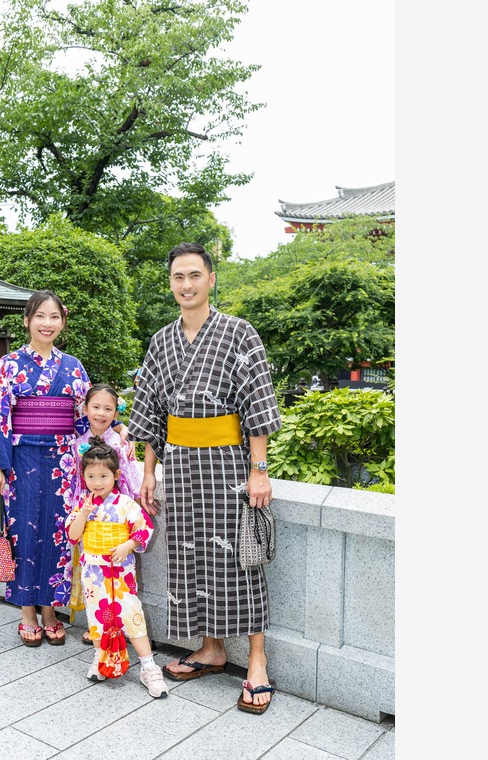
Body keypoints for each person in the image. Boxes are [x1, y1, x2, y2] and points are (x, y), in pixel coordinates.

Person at [126, 241, 282, 715]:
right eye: (178, 277)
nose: (187, 285)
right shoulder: (161, 341)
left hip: (228, 464)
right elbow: (150, 411)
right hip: (181, 462)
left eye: (195, 275)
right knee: (190, 556)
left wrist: (259, 470)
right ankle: (212, 649)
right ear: (170, 283)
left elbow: (257, 403)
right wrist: (149, 472)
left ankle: (257, 661)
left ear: (211, 279)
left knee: (241, 558)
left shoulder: (239, 333)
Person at [0, 290, 90, 647]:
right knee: (22, 533)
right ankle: (26, 612)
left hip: (63, 463)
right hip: (21, 461)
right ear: (27, 320)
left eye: (54, 317)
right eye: (40, 316)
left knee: (59, 534)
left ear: (62, 322)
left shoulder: (73, 367)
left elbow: (85, 418)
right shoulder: (9, 364)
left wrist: (112, 437)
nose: (47, 323)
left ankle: (51, 611)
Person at [64, 441, 169, 699]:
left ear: (116, 475)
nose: (96, 482)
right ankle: (101, 658)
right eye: (90, 476)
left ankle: (148, 666)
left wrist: (128, 544)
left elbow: (144, 530)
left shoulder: (125, 504)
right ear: (83, 476)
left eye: (103, 476)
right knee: (97, 618)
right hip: (93, 573)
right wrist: (83, 514)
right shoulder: (83, 504)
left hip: (120, 572)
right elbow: (73, 536)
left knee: (132, 615)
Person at [67, 383, 142, 644]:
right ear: (85, 409)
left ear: (116, 411)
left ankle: (120, 625)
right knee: (92, 575)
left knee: (119, 573)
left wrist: (136, 505)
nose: (101, 413)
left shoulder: (121, 441)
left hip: (117, 516)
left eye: (108, 409)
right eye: (95, 407)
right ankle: (98, 625)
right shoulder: (78, 441)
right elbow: (76, 481)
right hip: (89, 513)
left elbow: (130, 479)